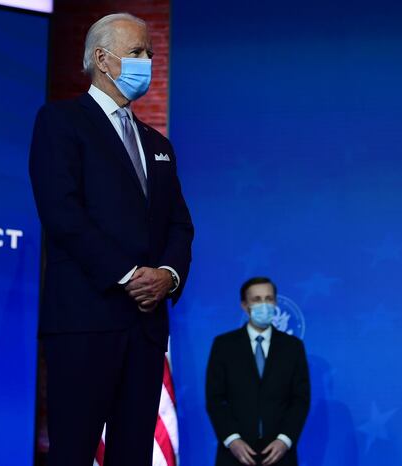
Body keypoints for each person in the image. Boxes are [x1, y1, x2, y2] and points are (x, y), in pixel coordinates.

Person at [28, 12, 194, 466]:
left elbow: (180, 225)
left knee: (133, 455)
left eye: (150, 54)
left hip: (144, 327)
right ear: (102, 59)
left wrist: (167, 275)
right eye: (137, 52)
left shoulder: (158, 144)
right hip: (85, 320)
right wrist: (128, 275)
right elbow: (63, 214)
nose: (148, 62)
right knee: (73, 452)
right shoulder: (60, 122)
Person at [206, 277, 310, 466]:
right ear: (245, 305)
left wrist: (285, 440)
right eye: (257, 299)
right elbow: (215, 399)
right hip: (235, 455)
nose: (264, 305)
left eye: (268, 299)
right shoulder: (224, 346)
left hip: (280, 455)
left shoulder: (293, 347)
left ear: (275, 302)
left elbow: (300, 399)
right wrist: (232, 439)